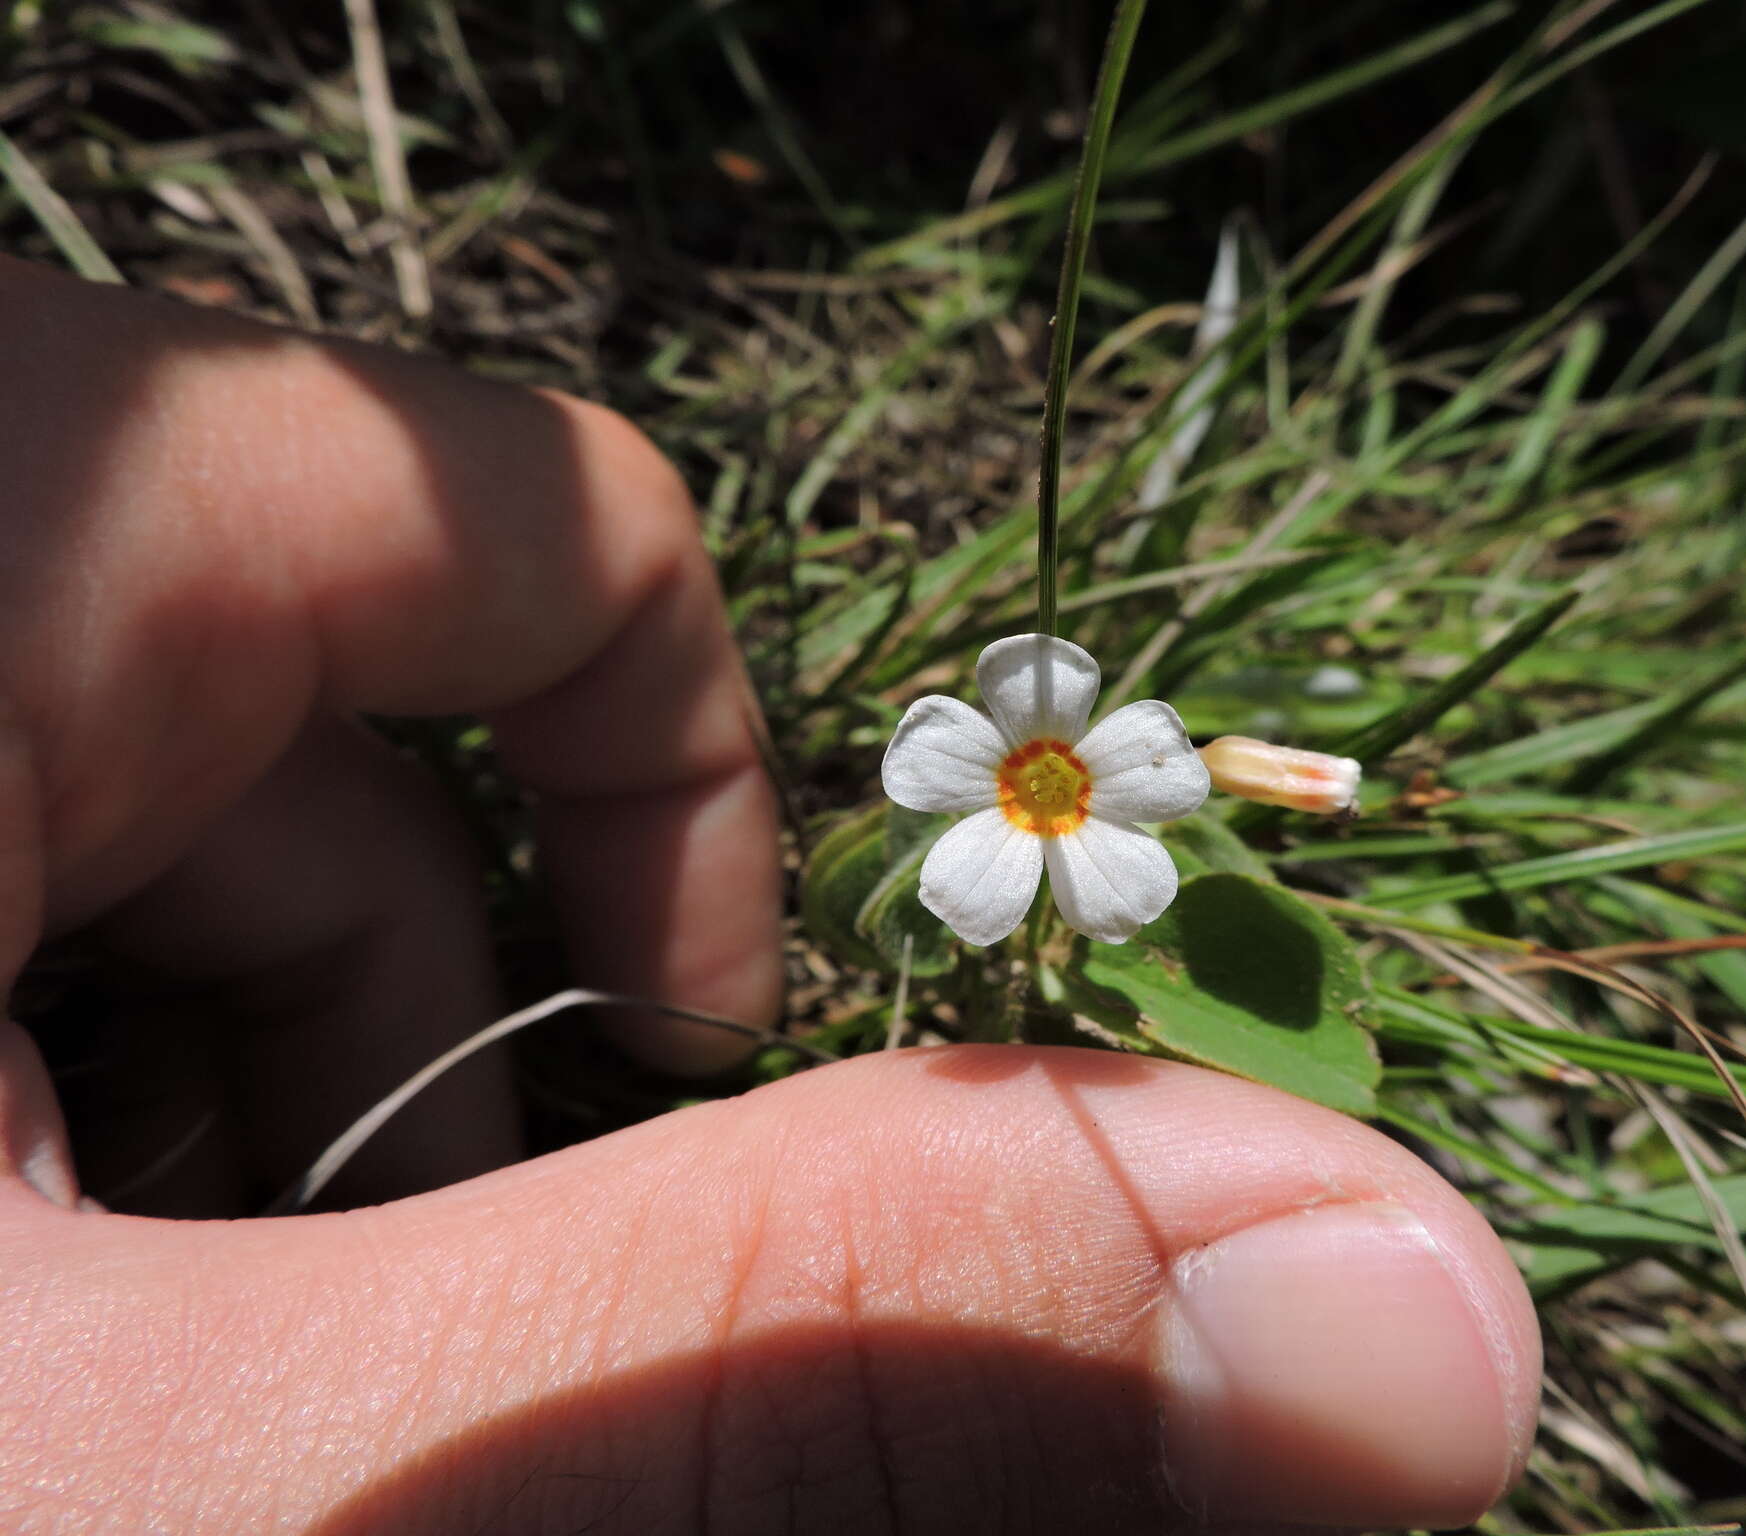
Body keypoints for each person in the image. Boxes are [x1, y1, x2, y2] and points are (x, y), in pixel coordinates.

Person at [0, 255, 1540, 1533]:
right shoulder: (1006, 773)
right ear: (1020, 764)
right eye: (1037, 779)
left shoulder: (1102, 792)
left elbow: (1094, 833)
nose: (1052, 789)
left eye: (1060, 782)